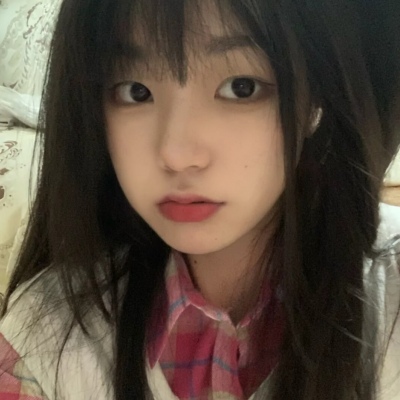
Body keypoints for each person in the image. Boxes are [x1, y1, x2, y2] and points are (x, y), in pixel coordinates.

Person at [0, 0, 400, 399]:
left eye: (241, 87)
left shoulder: (388, 309)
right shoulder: (44, 342)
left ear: (316, 95)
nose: (176, 155)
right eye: (135, 91)